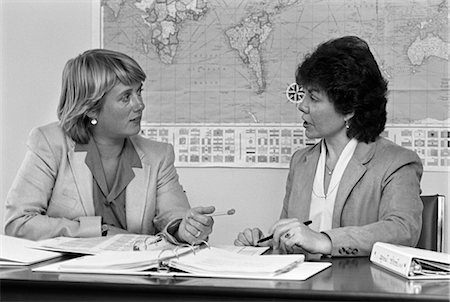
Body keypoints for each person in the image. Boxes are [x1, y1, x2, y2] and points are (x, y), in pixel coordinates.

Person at [234, 36, 423, 257]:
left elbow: (402, 230)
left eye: (313, 98)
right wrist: (268, 243)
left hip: (357, 288)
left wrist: (324, 241)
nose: (302, 106)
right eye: (304, 95)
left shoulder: (396, 162)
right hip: (303, 287)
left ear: (349, 109)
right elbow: (292, 241)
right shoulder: (301, 162)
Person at [4, 49, 215, 244]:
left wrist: (185, 229)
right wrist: (99, 230)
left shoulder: (158, 155)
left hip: (133, 279)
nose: (140, 104)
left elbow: (173, 217)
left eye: (138, 92)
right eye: (126, 97)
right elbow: (18, 223)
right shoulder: (49, 143)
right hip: (65, 277)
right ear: (91, 110)